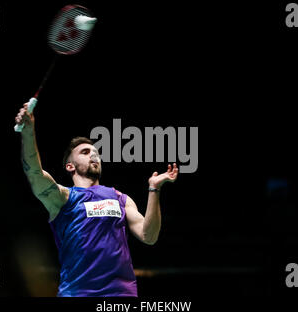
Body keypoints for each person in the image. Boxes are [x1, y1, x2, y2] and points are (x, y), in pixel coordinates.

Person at [15, 102, 178, 297]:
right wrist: (28, 132)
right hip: (76, 293)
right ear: (70, 166)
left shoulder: (120, 198)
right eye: (85, 152)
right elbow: (34, 172)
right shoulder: (64, 198)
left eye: (96, 153)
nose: (93, 155)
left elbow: (148, 236)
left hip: (119, 295)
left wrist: (154, 188)